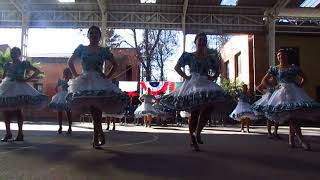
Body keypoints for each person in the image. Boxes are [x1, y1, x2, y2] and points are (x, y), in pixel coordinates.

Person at [67, 26, 130, 149]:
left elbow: (115, 65)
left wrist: (107, 76)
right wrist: (76, 75)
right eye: (91, 32)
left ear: (100, 36)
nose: (94, 35)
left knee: (96, 110)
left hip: (99, 80)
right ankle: (99, 134)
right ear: (88, 35)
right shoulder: (81, 48)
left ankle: (96, 137)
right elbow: (70, 62)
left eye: (96, 33)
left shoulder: (103, 51)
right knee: (94, 110)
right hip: (85, 80)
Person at [161, 32, 226, 151]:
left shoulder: (210, 58)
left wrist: (213, 77)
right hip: (193, 83)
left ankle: (198, 132)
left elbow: (218, 69)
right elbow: (177, 67)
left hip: (205, 82)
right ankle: (192, 137)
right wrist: (186, 77)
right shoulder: (188, 56)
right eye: (199, 39)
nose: (201, 42)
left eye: (204, 40)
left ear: (206, 43)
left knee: (209, 108)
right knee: (195, 112)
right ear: (195, 42)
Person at [261, 49, 320, 150]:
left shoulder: (293, 68)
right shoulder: (275, 69)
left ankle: (291, 140)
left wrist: (299, 85)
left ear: (286, 56)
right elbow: (264, 80)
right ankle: (301, 140)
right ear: (277, 58)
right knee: (292, 117)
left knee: (293, 116)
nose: (281, 57)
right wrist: (274, 87)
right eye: (279, 56)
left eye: (283, 55)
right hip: (281, 94)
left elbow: (304, 78)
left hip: (294, 92)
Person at [0, 47, 48, 142]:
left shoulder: (24, 64)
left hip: (19, 87)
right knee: (5, 110)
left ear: (19, 54)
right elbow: (4, 76)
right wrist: (3, 81)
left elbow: (37, 71)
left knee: (18, 111)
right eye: (12, 53)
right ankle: (8, 133)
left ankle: (20, 134)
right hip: (7, 86)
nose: (13, 54)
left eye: (15, 52)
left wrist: (27, 79)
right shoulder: (7, 64)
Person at [48, 68, 73, 134]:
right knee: (60, 112)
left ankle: (69, 128)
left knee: (68, 112)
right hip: (61, 96)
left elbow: (73, 88)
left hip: (68, 96)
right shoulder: (61, 81)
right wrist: (58, 93)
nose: (66, 74)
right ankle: (60, 127)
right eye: (65, 73)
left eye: (67, 73)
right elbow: (56, 88)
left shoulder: (71, 80)